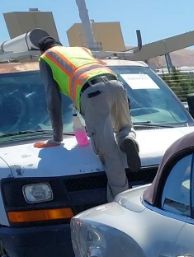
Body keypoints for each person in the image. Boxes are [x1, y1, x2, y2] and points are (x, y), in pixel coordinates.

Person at [36, 34, 140, 200]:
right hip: (116, 85)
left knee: (107, 151)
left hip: (92, 93)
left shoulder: (46, 58)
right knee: (124, 125)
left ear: (42, 50)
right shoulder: (79, 50)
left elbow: (52, 99)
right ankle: (128, 138)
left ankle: (122, 199)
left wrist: (57, 138)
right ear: (59, 44)